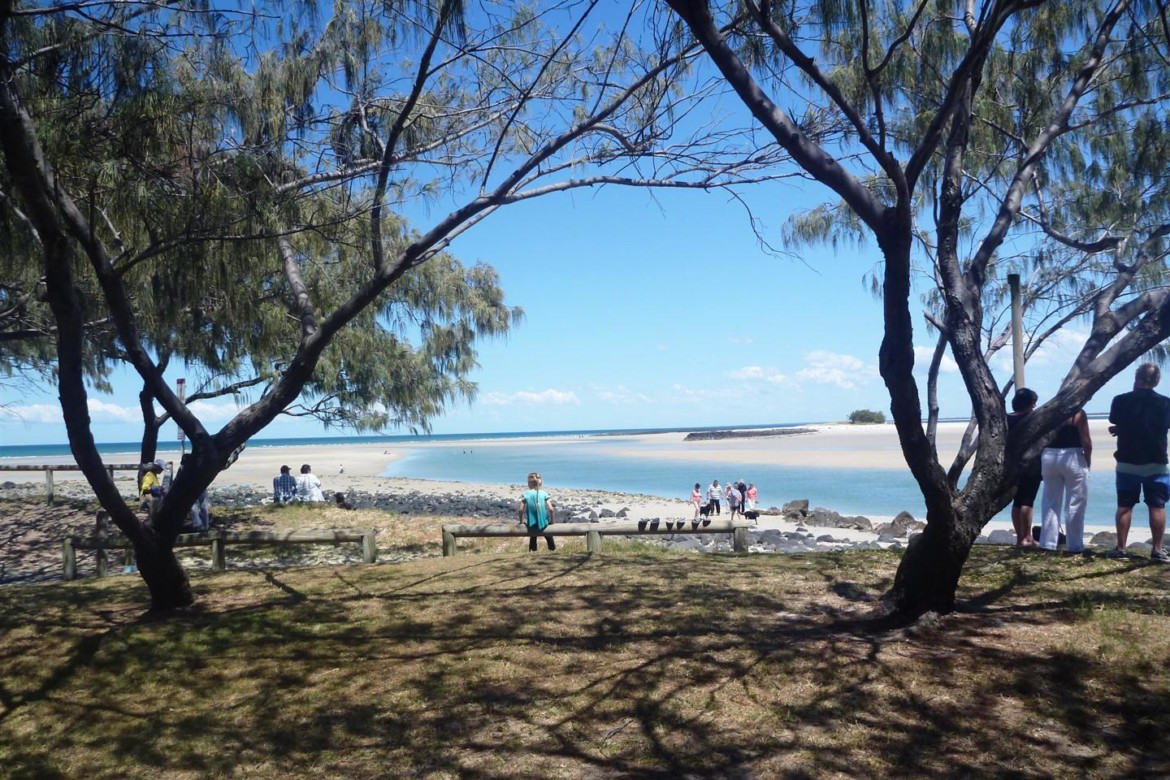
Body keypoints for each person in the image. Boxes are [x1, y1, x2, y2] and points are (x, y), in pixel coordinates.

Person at [1106, 363, 1170, 562]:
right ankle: (1157, 550)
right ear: (1157, 380)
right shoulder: (1166, 403)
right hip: (1156, 460)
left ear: (1136, 378)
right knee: (1157, 506)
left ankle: (1122, 549)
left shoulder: (1120, 400)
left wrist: (1121, 429)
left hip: (1127, 460)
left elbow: (1116, 419)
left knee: (1125, 505)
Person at [1039, 406, 1092, 553]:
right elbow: (1086, 441)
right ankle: (1075, 546)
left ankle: (1047, 544)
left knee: (1050, 502)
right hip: (1072, 455)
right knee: (1075, 504)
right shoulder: (1078, 413)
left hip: (1049, 454)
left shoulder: (1049, 411)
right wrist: (1088, 461)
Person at [1007, 388, 1042, 547]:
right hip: (1031, 463)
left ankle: (1020, 537)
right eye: (1033, 402)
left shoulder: (1006, 418)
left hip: (1011, 464)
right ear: (1030, 403)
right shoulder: (1032, 418)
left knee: (1017, 501)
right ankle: (1027, 537)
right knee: (1027, 501)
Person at [518, 472, 556, 551]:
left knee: (533, 538)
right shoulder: (544, 493)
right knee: (549, 538)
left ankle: (532, 552)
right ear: (540, 483)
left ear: (529, 484)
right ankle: (552, 550)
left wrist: (521, 522)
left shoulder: (526, 494)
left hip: (531, 524)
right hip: (544, 524)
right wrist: (552, 522)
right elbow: (551, 509)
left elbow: (521, 509)